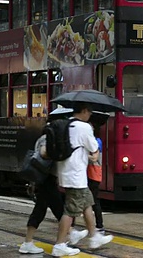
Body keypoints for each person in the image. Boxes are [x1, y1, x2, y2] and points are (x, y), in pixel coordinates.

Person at [51, 103, 113, 256]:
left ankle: (94, 237)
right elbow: (93, 147)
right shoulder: (84, 127)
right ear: (84, 110)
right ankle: (59, 245)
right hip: (76, 176)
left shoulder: (68, 124)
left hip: (67, 173)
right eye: (89, 111)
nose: (90, 115)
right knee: (70, 210)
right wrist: (94, 152)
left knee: (87, 203)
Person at [19, 108, 84, 254]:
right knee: (59, 209)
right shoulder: (48, 136)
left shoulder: (52, 134)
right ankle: (67, 236)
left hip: (47, 179)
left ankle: (28, 242)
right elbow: (43, 152)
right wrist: (59, 153)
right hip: (46, 178)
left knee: (40, 210)